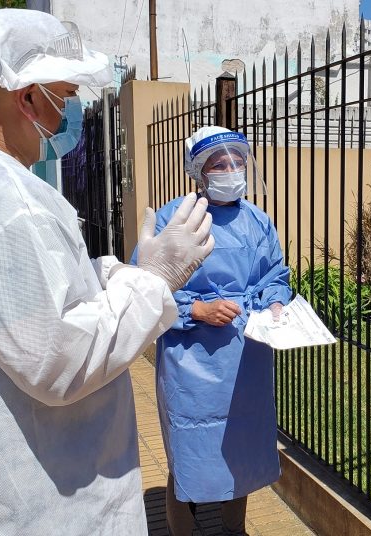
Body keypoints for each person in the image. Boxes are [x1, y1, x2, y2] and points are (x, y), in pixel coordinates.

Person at [0, 9, 214, 535]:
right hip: (59, 501)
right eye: (65, 96)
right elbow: (59, 359)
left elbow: (44, 300)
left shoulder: (14, 191)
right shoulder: (12, 204)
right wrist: (155, 279)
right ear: (28, 98)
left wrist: (115, 272)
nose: (69, 113)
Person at [132, 126, 291, 535]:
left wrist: (275, 301)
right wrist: (197, 309)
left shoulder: (257, 221)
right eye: (220, 164)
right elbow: (143, 285)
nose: (232, 169)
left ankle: (233, 529)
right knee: (188, 455)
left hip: (246, 359)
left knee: (240, 449)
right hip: (191, 362)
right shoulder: (175, 219)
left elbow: (274, 274)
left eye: (238, 160)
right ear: (199, 172)